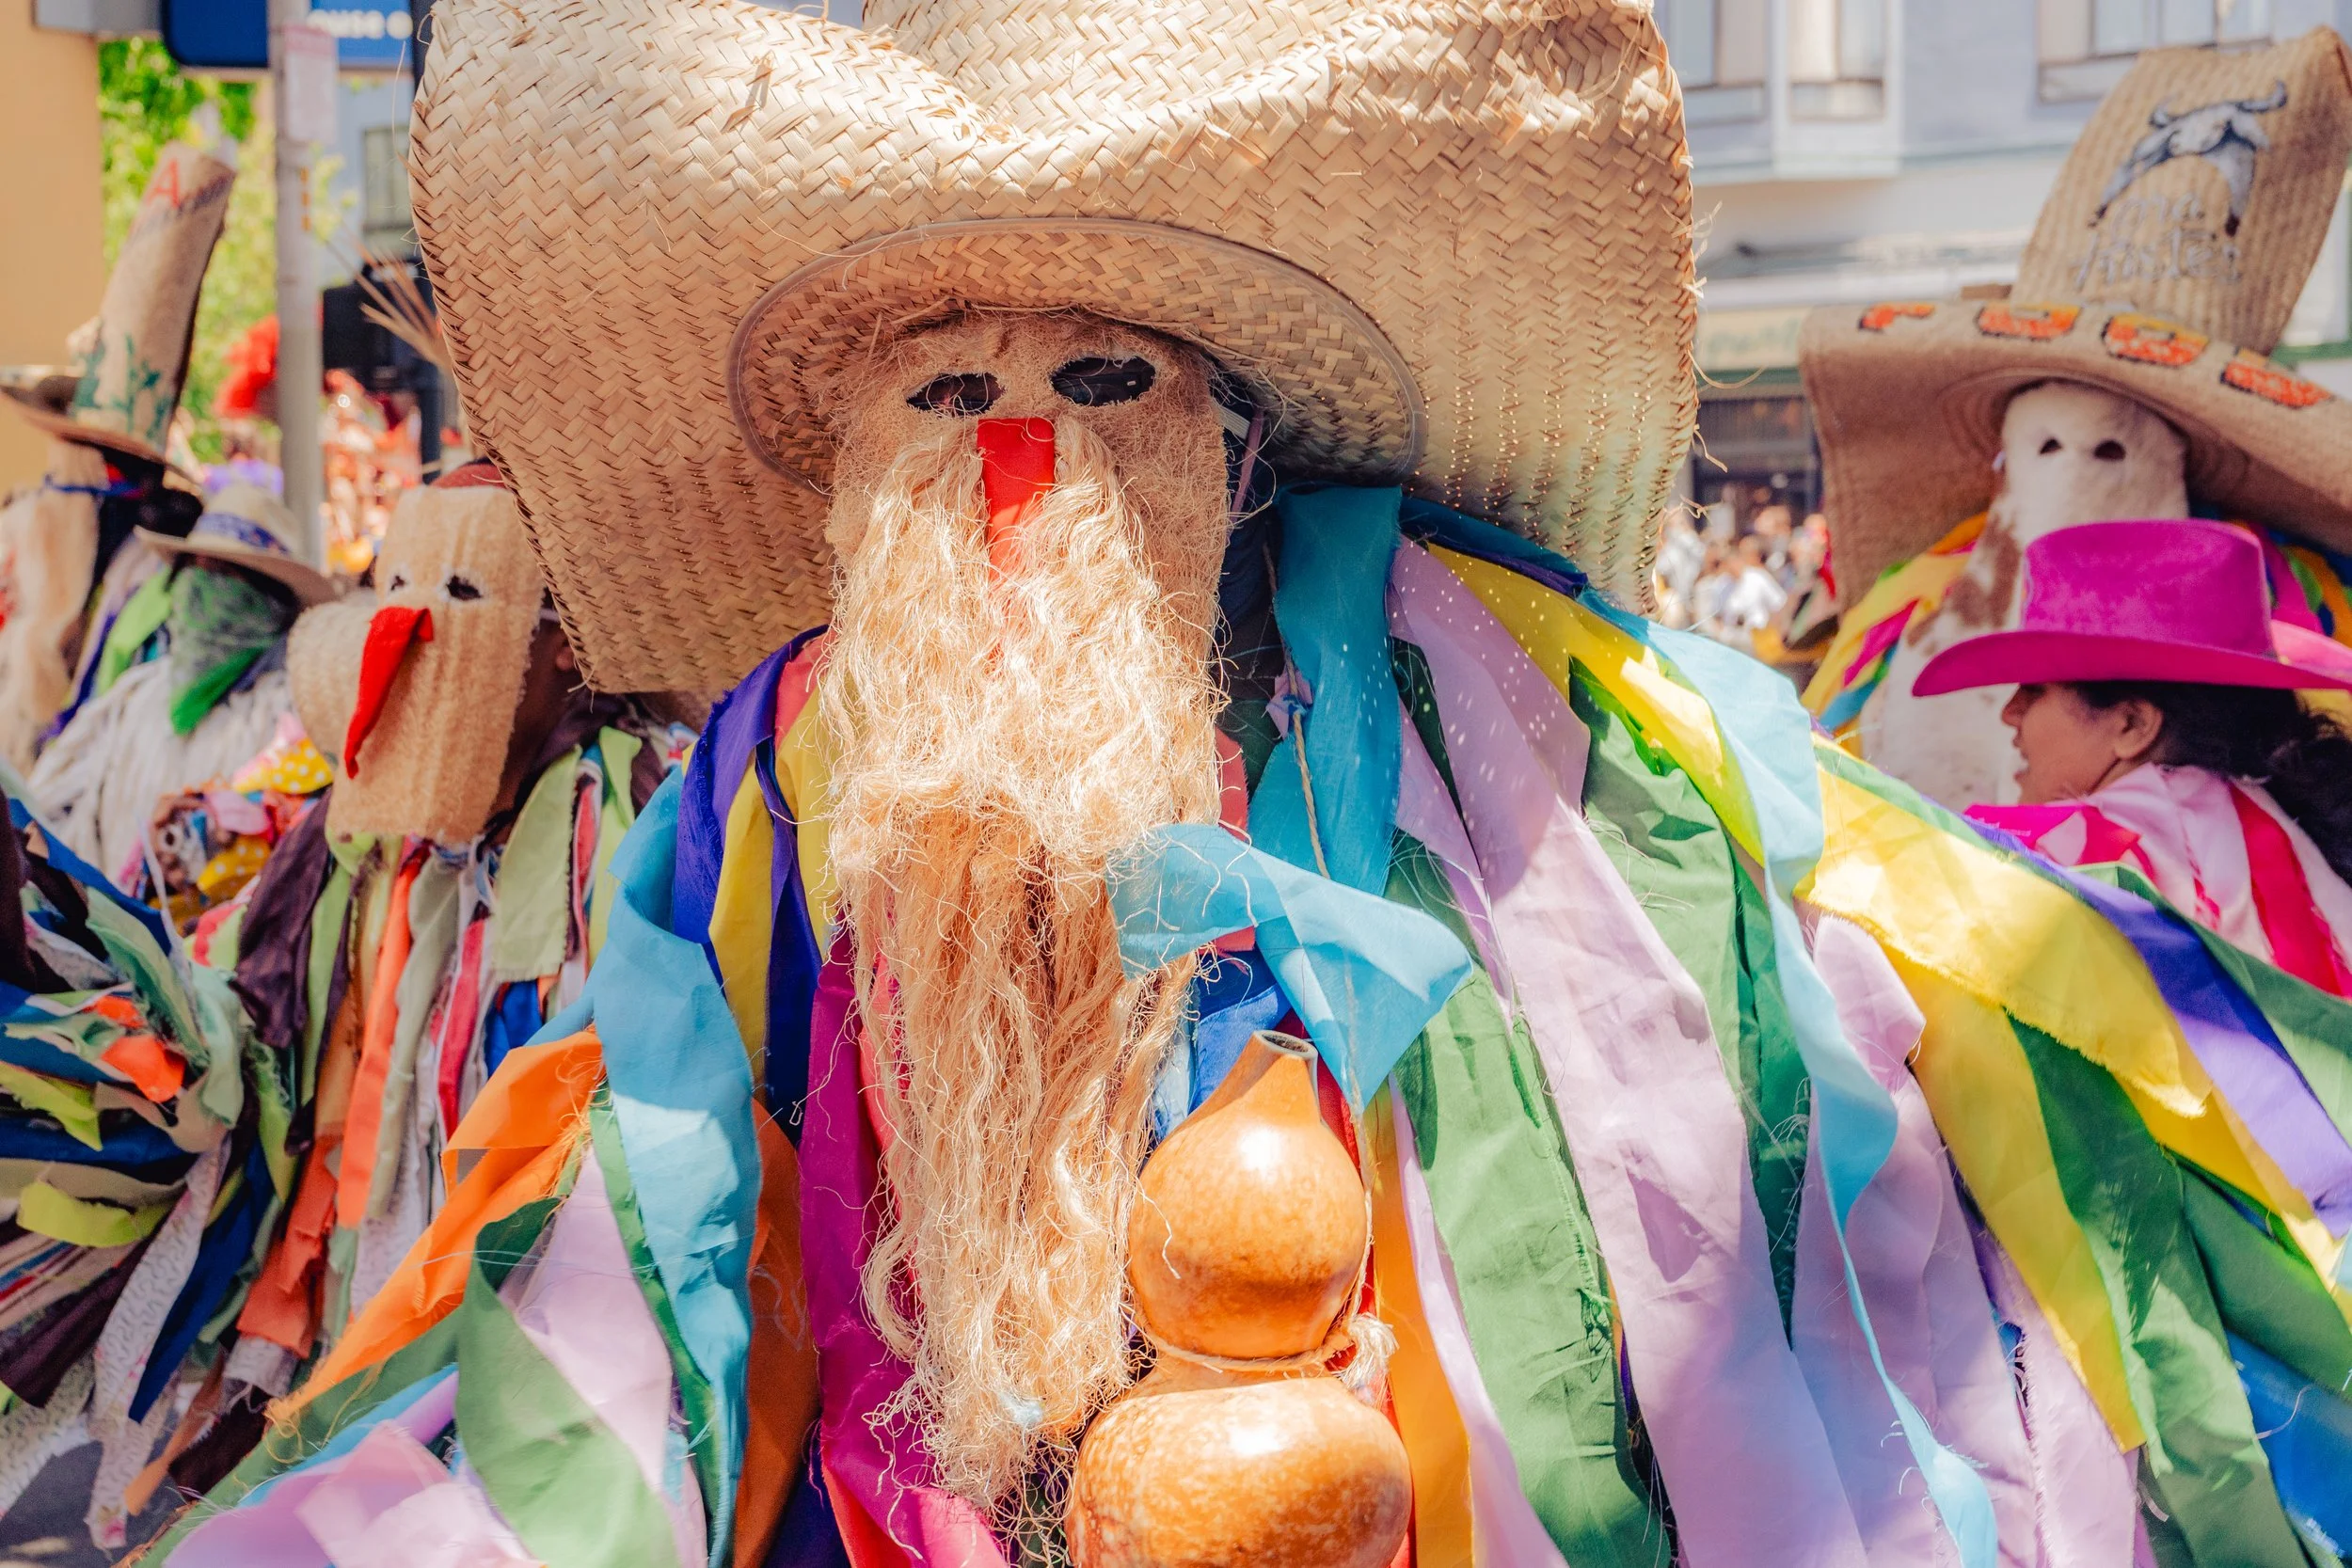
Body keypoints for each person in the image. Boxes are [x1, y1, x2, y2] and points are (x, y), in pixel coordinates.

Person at [147, 1, 2349, 1563]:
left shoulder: (1459, 692)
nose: (1025, 455)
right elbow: (639, 1224)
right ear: (843, 473)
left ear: (1229, 446)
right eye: (948, 387)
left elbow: (1840, 944)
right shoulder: (777, 779)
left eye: (1107, 381)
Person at [1917, 518, 2352, 990]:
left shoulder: (2085, 851)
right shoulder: (2286, 827)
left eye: (2035, 691)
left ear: (2132, 725)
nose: (2010, 713)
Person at [27, 485, 334, 890]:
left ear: (267, 603)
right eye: (194, 569)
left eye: (224, 575)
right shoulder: (136, 695)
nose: (200, 589)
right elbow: (51, 803)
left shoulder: (294, 714)